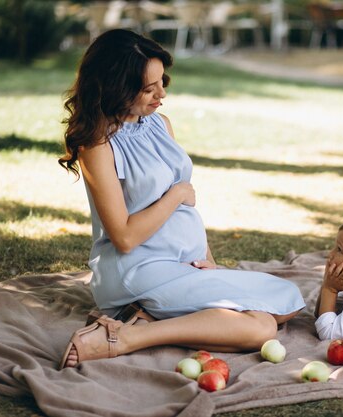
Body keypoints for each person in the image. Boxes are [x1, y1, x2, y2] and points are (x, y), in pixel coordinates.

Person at [57, 29, 305, 368]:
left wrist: (210, 261)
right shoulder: (98, 145)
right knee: (261, 326)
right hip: (137, 269)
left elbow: (187, 214)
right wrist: (175, 195)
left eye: (162, 82)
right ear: (116, 87)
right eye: (148, 88)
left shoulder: (160, 124)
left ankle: (146, 319)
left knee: (288, 299)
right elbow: (125, 237)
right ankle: (129, 336)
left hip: (183, 263)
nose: (161, 94)